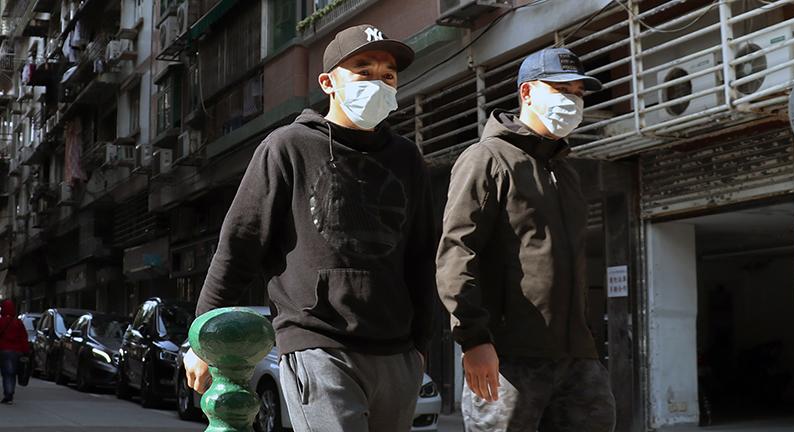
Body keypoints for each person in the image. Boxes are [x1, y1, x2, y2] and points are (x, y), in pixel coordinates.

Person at [184, 24, 436, 432]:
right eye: (363, 71)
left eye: (388, 75)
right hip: (318, 345)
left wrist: (420, 346)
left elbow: (422, 258)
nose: (378, 82)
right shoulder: (288, 147)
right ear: (328, 82)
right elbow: (238, 246)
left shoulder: (408, 159)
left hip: (397, 355)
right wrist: (203, 341)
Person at [436, 47, 616, 431]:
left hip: (577, 356)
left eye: (579, 93)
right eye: (562, 89)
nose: (573, 100)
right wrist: (474, 339)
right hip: (509, 355)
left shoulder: (566, 171)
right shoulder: (487, 158)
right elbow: (457, 251)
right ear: (528, 93)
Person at [0, 299, 29, 405]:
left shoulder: (1, 321)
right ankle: (10, 393)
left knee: (6, 373)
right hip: (17, 351)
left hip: (4, 350)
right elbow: (23, 337)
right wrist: (26, 351)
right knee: (12, 373)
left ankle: (8, 394)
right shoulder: (18, 323)